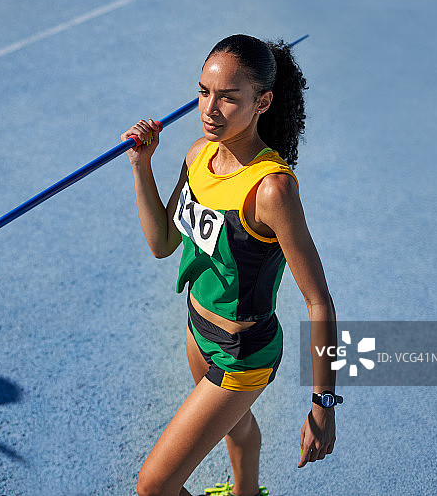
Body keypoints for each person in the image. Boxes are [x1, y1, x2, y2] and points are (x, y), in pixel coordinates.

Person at [123, 35, 339, 496]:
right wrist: (143, 167)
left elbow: (319, 301)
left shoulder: (271, 190)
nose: (210, 108)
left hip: (241, 354)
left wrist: (323, 405)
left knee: (153, 487)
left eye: (227, 97)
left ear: (263, 102)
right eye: (204, 92)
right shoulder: (198, 155)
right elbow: (163, 242)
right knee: (234, 427)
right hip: (197, 329)